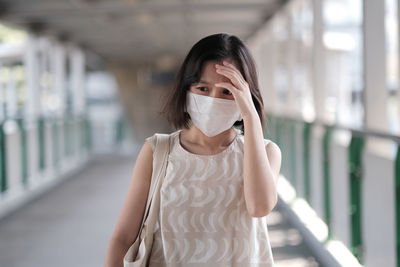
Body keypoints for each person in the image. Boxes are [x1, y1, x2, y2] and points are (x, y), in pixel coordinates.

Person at [104, 33, 282, 267]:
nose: (213, 99)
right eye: (202, 88)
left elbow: (259, 207)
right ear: (186, 90)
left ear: (246, 95)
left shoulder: (266, 152)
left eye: (228, 91)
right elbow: (124, 237)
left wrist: (251, 116)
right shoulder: (158, 151)